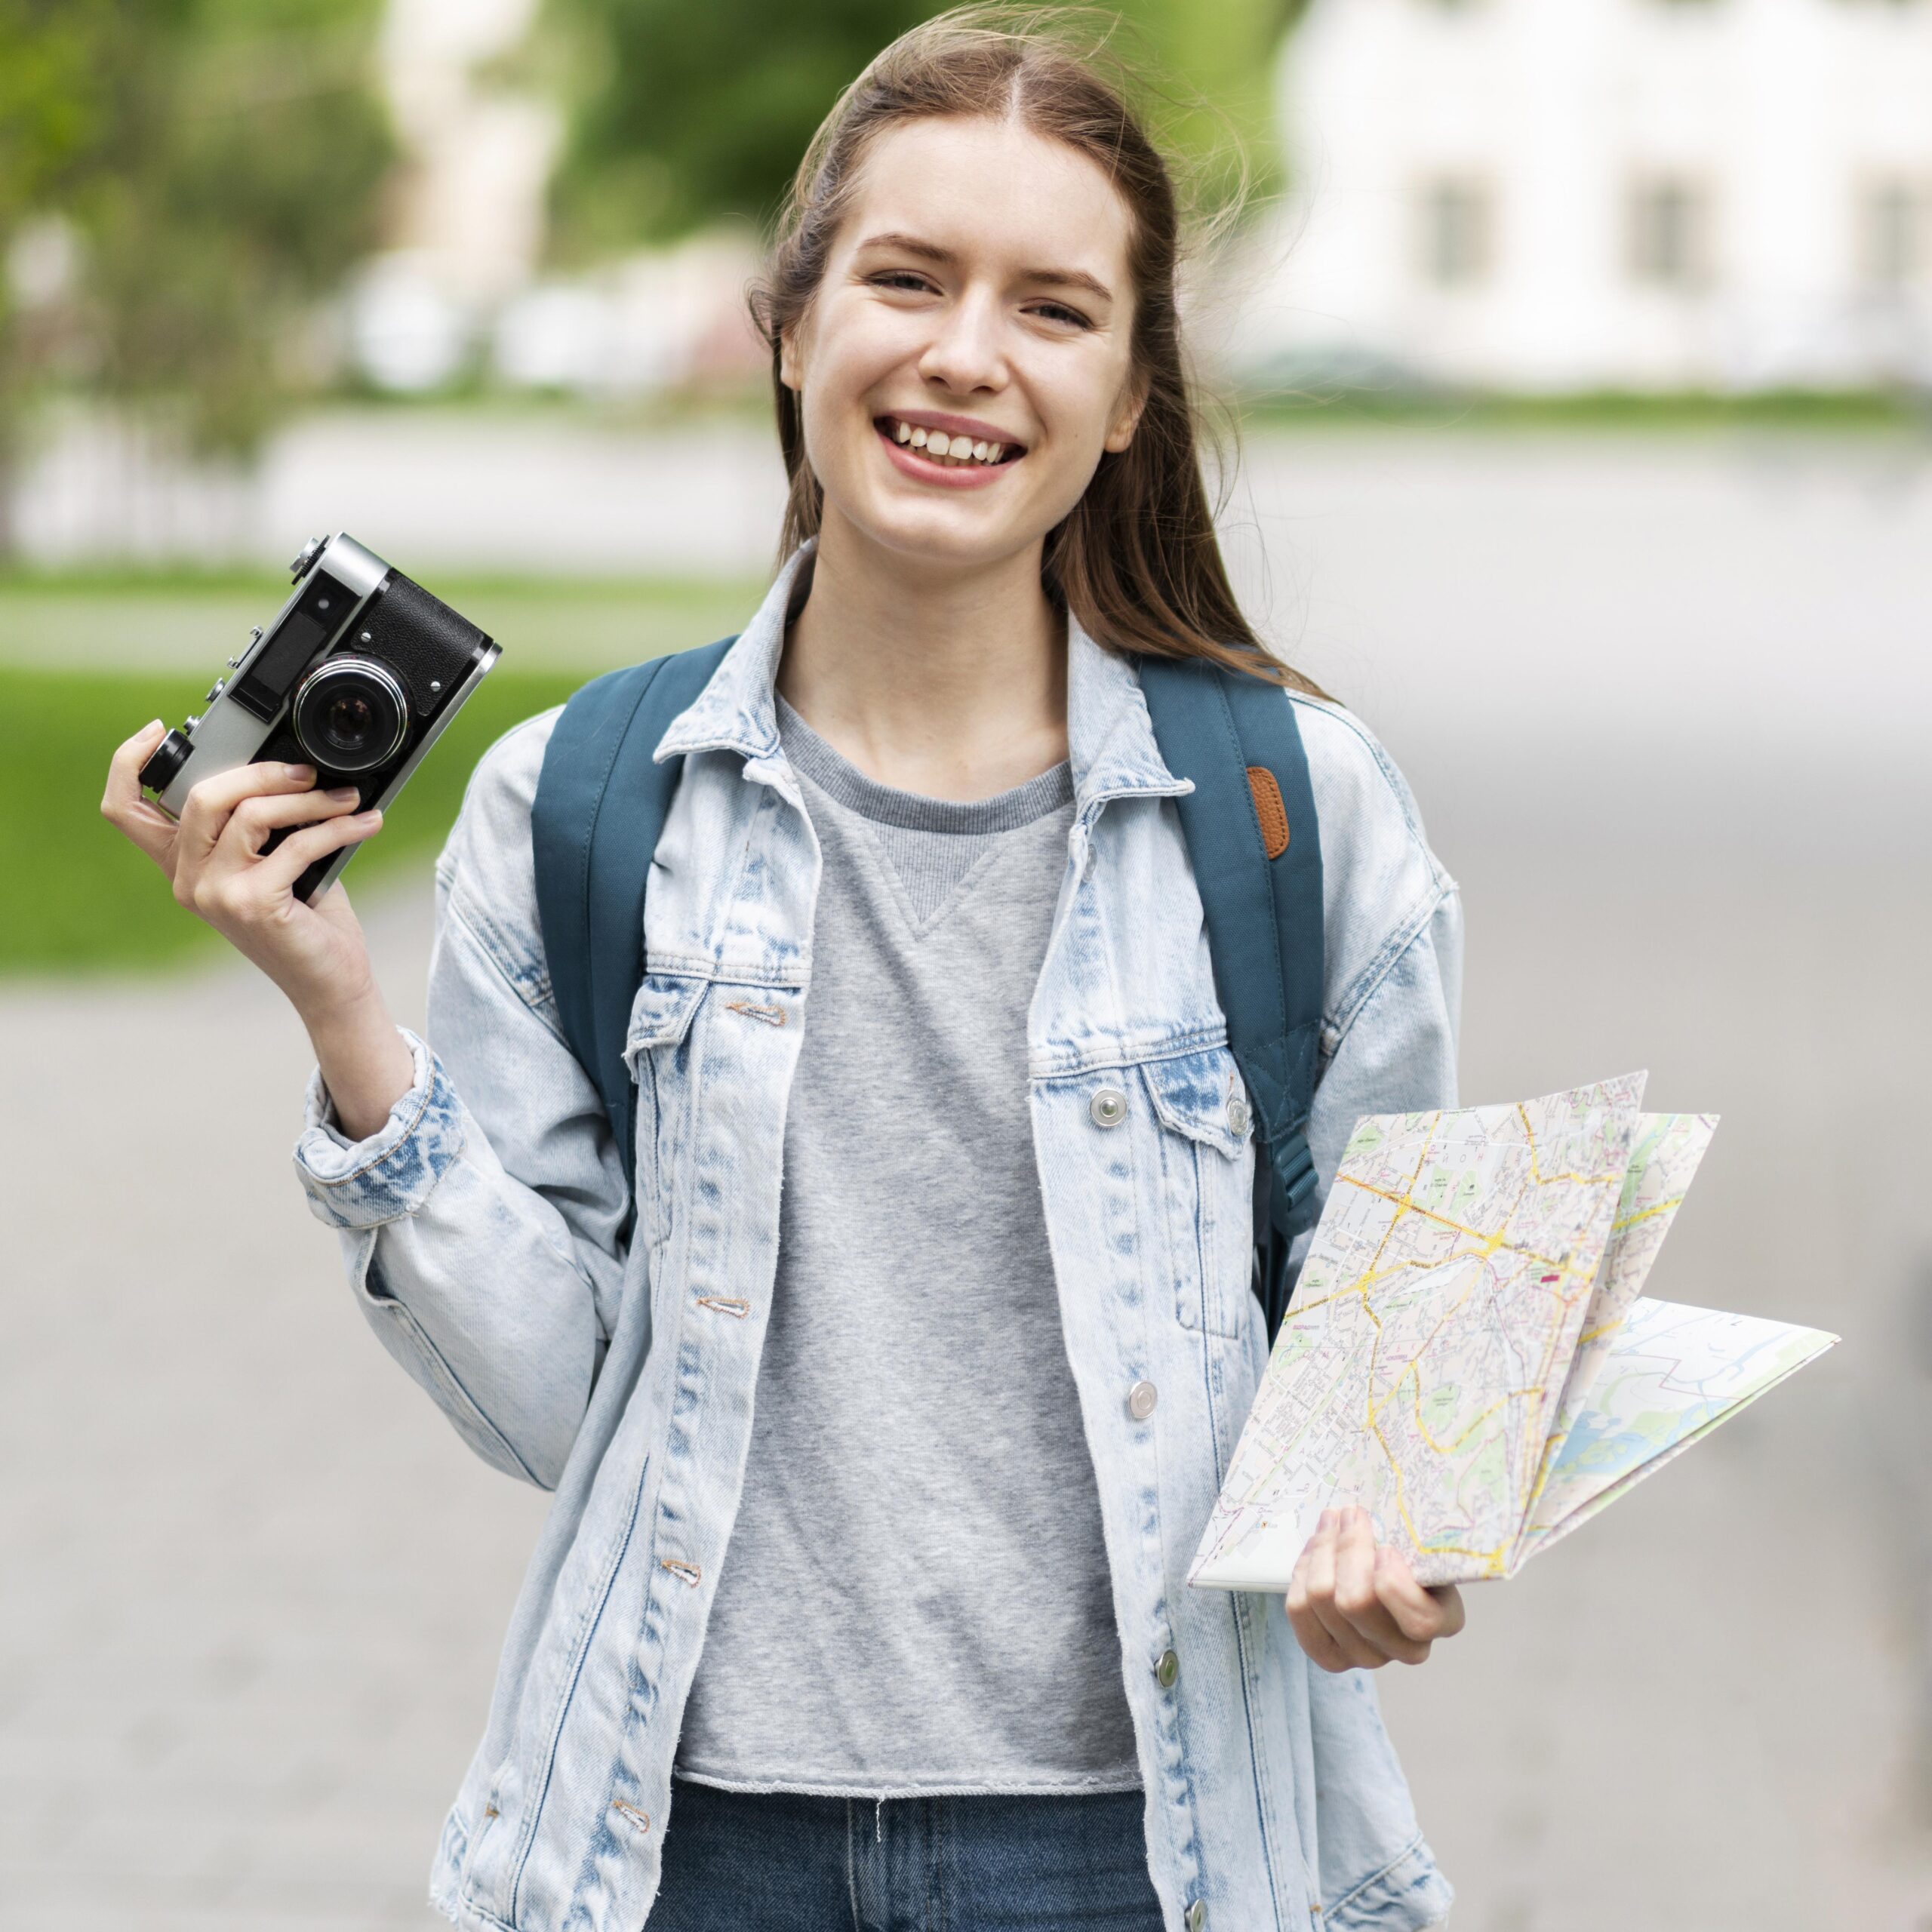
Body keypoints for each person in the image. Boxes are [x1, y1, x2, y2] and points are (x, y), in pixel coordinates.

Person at [103, 12, 1466, 1930]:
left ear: (1132, 390)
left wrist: (1386, 1532)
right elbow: (556, 1406)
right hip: (679, 1838)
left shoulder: (1292, 813)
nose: (964, 355)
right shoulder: (576, 802)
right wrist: (343, 1016)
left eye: (1053, 308)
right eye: (905, 278)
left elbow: (1399, 1372)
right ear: (789, 319)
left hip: (1140, 1844)